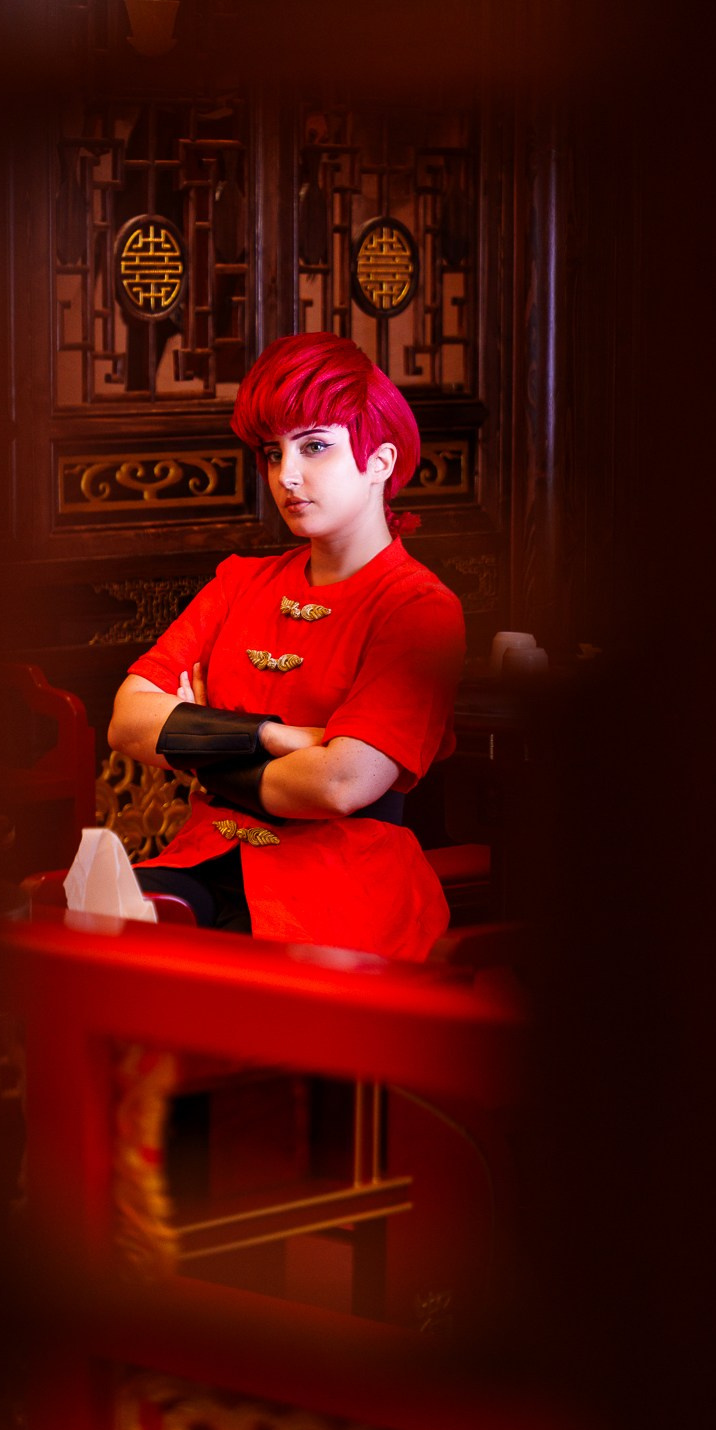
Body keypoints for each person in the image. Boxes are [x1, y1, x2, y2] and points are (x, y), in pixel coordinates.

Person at [107, 332, 466, 962]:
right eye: (273, 453)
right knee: (82, 938)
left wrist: (195, 738)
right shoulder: (238, 582)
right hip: (201, 861)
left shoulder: (419, 609)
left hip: (339, 892)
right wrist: (279, 737)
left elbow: (341, 783)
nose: (286, 475)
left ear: (381, 461)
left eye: (315, 446)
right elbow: (127, 721)